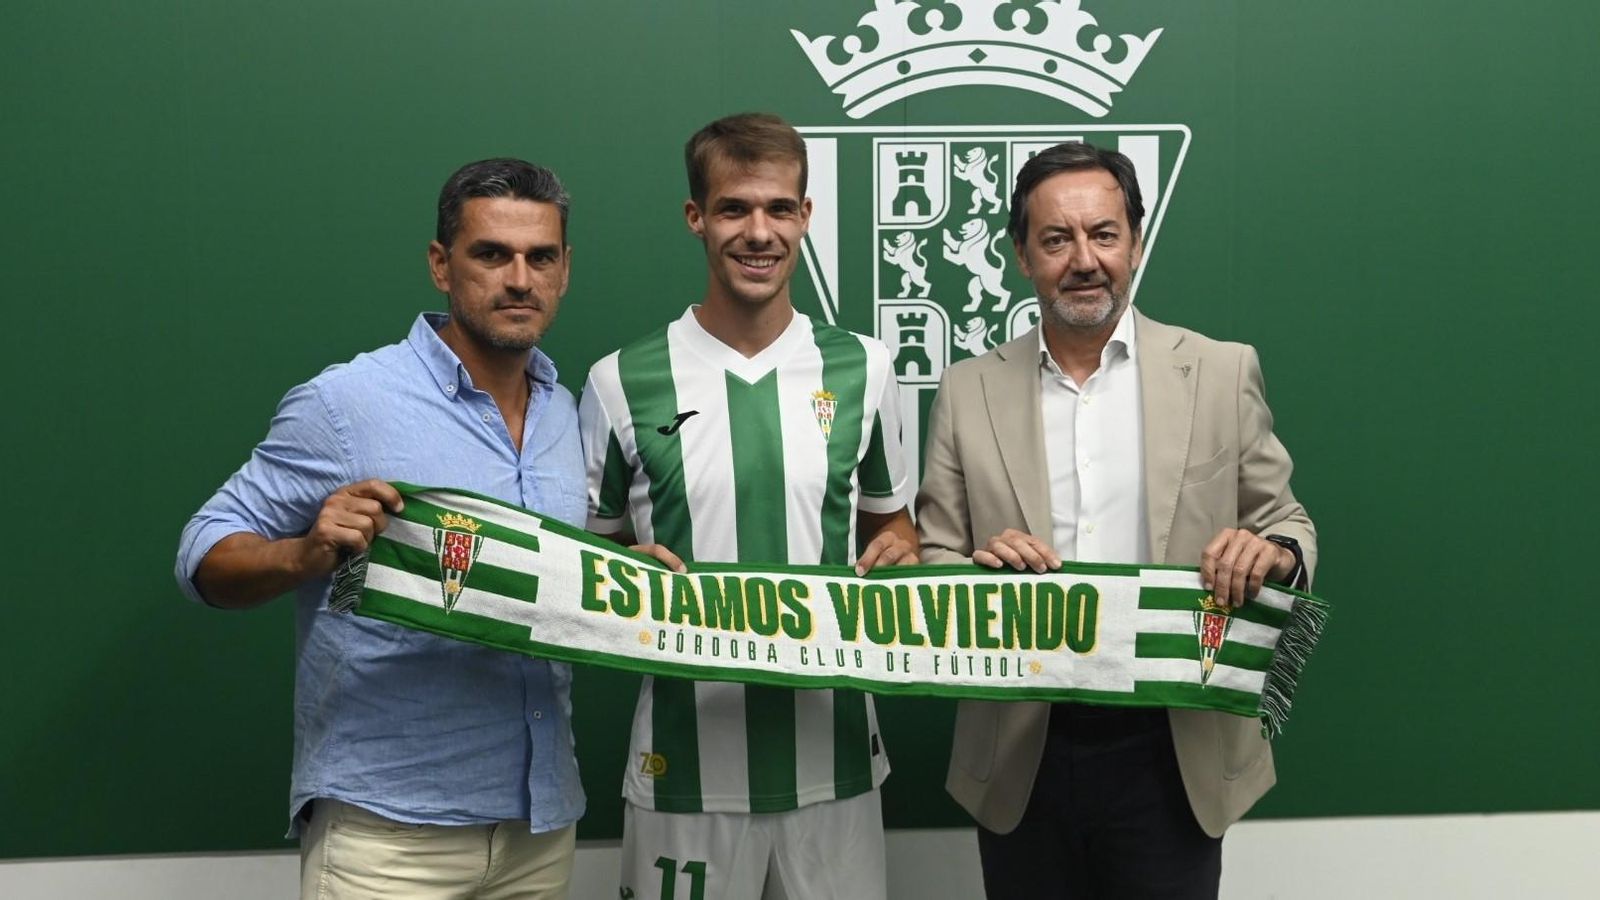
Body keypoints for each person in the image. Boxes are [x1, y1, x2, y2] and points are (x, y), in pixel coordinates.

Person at [175, 159, 586, 899]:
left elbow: (555, 582)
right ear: (441, 265)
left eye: (540, 257)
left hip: (539, 829)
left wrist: (630, 577)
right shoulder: (348, 403)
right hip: (388, 839)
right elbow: (204, 553)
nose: (519, 279)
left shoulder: (567, 412)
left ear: (563, 268)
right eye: (491, 254)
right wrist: (302, 553)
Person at [915, 141, 1317, 899]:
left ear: (1135, 241)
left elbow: (1287, 521)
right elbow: (933, 558)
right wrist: (974, 569)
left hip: (1174, 746)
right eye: (1056, 239)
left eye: (1103, 234)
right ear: (1020, 255)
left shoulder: (1222, 371)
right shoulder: (968, 390)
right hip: (1020, 749)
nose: (1084, 260)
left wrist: (1269, 552)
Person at [578, 112, 918, 900]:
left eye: (778, 208)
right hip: (681, 771)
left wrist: (901, 550)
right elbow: (591, 558)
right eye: (734, 208)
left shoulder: (864, 367)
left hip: (835, 761)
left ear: (805, 216)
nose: (757, 232)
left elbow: (892, 526)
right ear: (697, 217)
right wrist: (619, 572)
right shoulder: (619, 379)